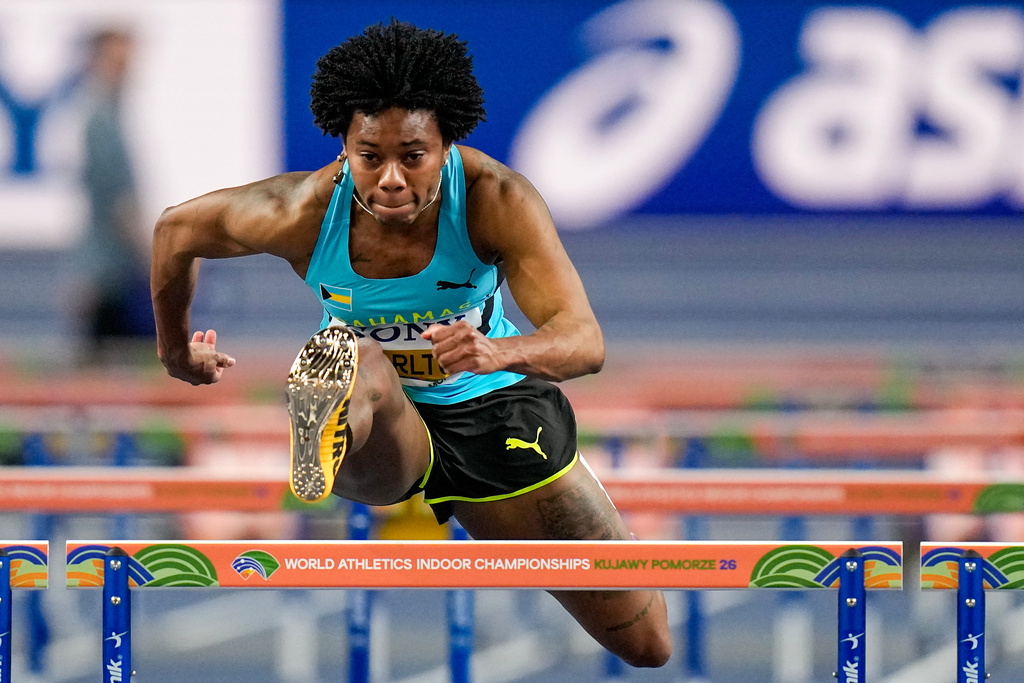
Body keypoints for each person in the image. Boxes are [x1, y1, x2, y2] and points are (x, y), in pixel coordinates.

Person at [151, 20, 671, 667]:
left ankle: (344, 388)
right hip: (380, 426)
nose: (391, 178)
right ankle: (328, 403)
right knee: (360, 358)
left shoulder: (493, 200)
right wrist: (176, 353)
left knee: (647, 640)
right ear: (344, 145)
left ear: (447, 144)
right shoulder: (301, 212)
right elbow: (176, 231)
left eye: (413, 156)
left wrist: (497, 351)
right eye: (371, 157)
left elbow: (584, 341)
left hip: (495, 408)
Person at [73, 28, 155, 362]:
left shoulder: (111, 119)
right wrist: (155, 260)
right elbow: (119, 204)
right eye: (118, 62)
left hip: (114, 271)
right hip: (112, 276)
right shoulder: (102, 123)